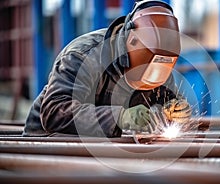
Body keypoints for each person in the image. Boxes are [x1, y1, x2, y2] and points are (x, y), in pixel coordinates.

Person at [23, 0, 191, 137]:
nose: (154, 77)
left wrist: (176, 111)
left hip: (102, 149)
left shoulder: (160, 64)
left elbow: (169, 102)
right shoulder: (83, 56)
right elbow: (54, 112)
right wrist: (119, 117)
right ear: (131, 43)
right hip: (49, 143)